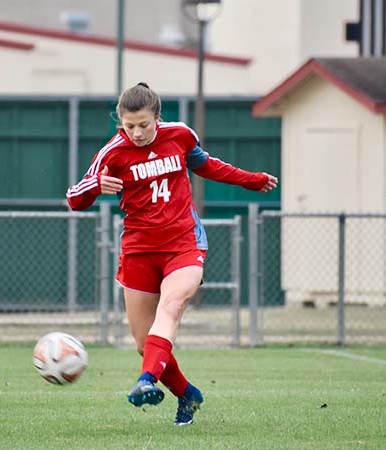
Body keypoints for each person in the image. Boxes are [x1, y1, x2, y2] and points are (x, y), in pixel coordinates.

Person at [66, 82, 278, 425]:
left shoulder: (179, 135)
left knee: (172, 305)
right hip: (138, 249)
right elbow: (74, 199)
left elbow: (208, 165)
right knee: (143, 343)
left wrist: (251, 180)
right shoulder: (112, 152)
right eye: (128, 126)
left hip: (184, 242)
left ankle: (145, 380)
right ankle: (188, 394)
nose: (136, 133)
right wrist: (94, 187)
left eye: (143, 125)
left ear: (157, 118)